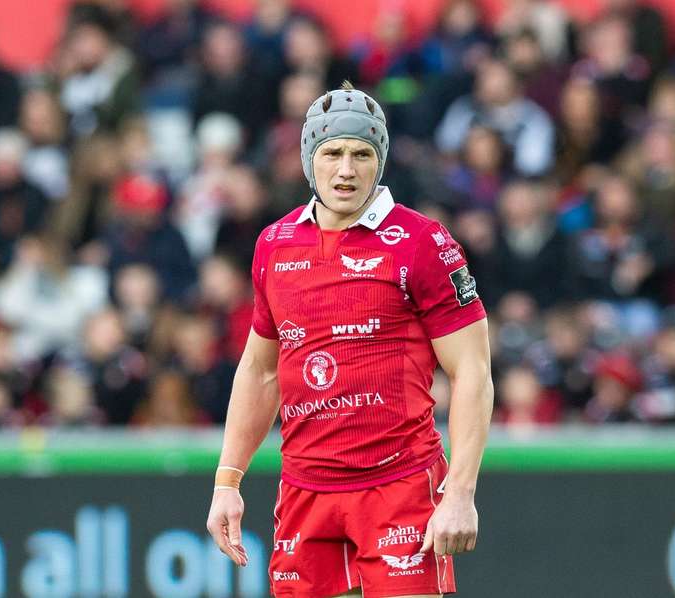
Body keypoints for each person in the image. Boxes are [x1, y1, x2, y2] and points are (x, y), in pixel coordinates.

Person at [206, 82, 493, 597]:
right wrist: (228, 481)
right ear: (307, 160)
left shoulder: (422, 242)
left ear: (379, 161)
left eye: (362, 154)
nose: (346, 169)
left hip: (399, 487)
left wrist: (460, 493)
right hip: (304, 491)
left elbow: (472, 370)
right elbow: (260, 370)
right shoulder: (274, 244)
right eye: (332, 153)